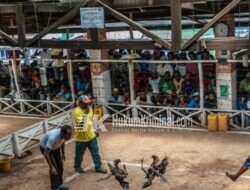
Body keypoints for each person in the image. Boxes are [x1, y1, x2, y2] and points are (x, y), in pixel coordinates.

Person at [73, 95, 107, 174]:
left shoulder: (90, 109)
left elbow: (91, 121)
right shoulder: (77, 111)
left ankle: (98, 167)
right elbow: (83, 124)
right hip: (81, 138)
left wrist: (94, 130)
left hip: (91, 136)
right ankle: (77, 167)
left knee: (95, 152)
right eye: (85, 103)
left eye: (88, 103)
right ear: (80, 103)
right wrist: (87, 112)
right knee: (79, 154)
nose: (87, 104)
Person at [40, 125, 72, 190]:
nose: (70, 136)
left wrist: (63, 153)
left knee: (60, 166)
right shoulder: (53, 138)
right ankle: (54, 188)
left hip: (55, 147)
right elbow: (46, 154)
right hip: (46, 149)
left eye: (70, 134)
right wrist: (51, 167)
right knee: (54, 169)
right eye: (68, 135)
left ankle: (60, 184)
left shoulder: (63, 136)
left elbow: (62, 142)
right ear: (62, 133)